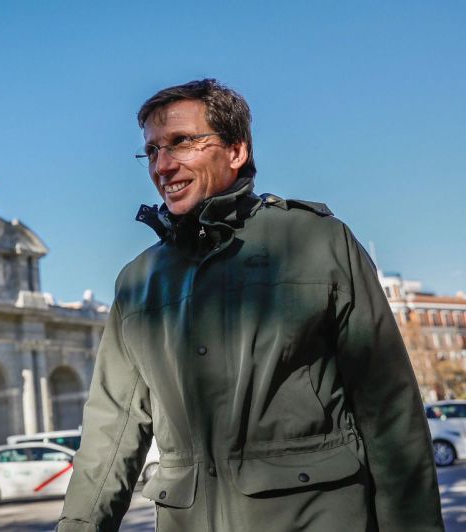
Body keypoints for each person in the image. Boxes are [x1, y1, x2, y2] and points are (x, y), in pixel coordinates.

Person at [57, 79, 443, 531]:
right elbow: (110, 432)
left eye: (181, 143)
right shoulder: (137, 282)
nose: (162, 165)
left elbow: (389, 411)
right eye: (152, 151)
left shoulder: (319, 242)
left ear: (236, 151)